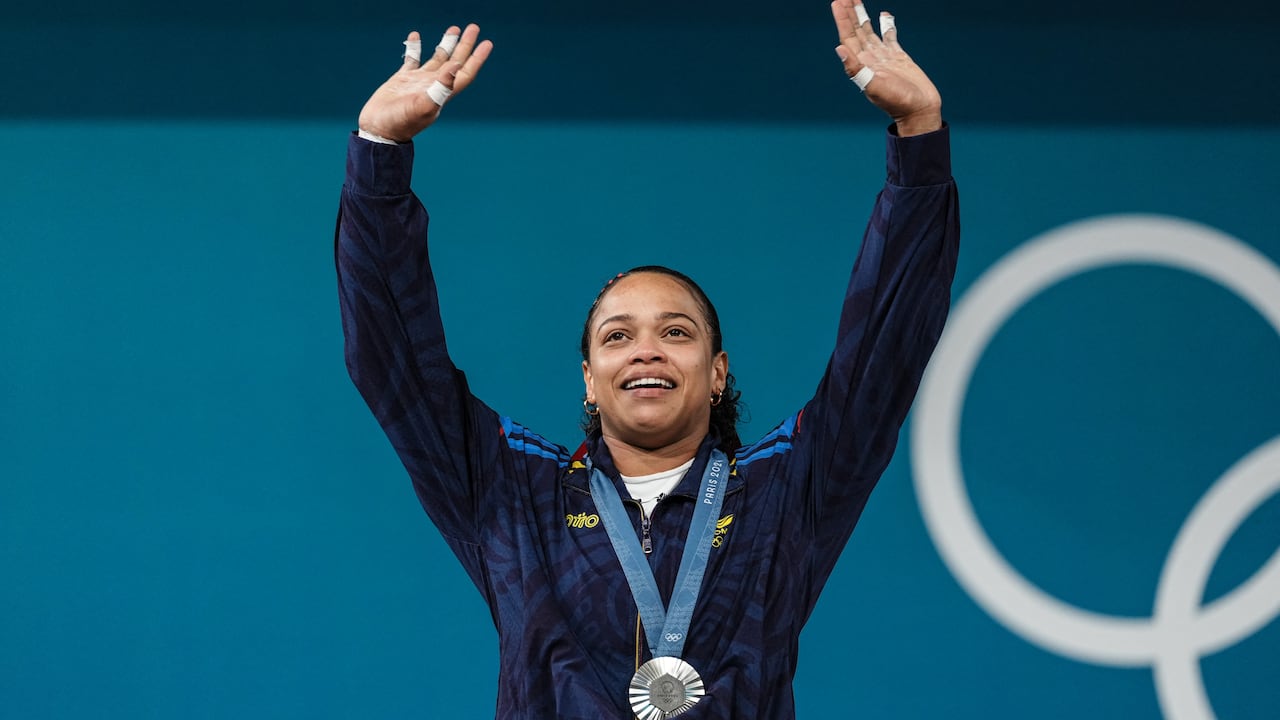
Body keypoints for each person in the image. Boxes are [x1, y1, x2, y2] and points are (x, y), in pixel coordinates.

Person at [336, 1, 959, 717]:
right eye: (617, 336)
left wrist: (919, 141)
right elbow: (393, 361)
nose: (646, 352)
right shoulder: (510, 492)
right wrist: (378, 155)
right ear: (589, 380)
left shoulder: (787, 493)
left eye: (676, 332)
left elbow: (886, 347)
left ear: (718, 371)